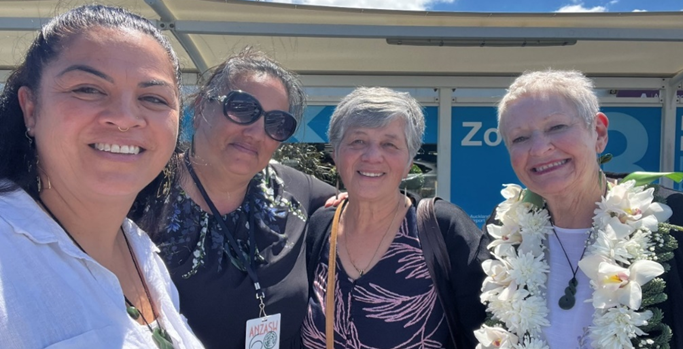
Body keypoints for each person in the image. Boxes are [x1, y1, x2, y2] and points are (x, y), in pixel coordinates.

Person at [0, 5, 204, 348]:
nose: (125, 118)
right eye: (88, 89)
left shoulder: (144, 252)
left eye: (153, 98)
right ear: (31, 109)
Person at [131, 47, 337, 349]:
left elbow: (371, 205)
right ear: (201, 108)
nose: (256, 132)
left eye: (277, 123)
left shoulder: (294, 190)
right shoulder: (140, 194)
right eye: (242, 108)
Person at [475, 70, 683, 349]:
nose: (539, 148)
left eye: (556, 127)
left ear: (598, 132)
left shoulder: (672, 218)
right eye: (520, 138)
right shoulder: (506, 232)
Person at [301, 87, 490, 348]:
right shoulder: (320, 227)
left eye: (389, 144)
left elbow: (489, 328)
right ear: (335, 153)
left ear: (409, 160)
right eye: (358, 141)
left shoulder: (442, 228)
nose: (372, 156)